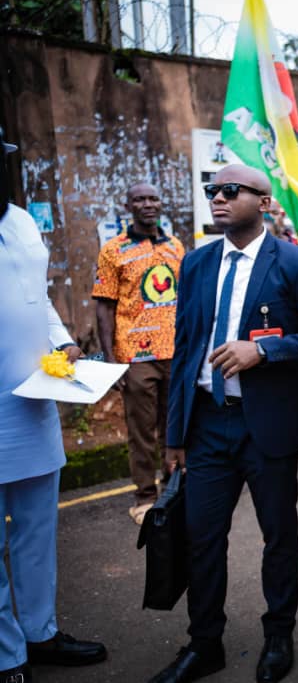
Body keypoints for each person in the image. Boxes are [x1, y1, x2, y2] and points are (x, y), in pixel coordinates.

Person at [150, 164, 298, 683]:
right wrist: (175, 435)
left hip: (264, 424)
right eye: (212, 191)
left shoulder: (297, 263)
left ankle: (278, 635)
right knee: (202, 537)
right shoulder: (197, 263)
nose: (217, 199)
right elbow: (185, 350)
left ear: (264, 202)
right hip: (206, 424)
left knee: (278, 535)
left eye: (230, 190)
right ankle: (205, 644)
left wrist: (263, 350)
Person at [0, 128, 107, 682]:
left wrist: (62, 339)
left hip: (32, 402)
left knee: (37, 530)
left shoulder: (19, 221)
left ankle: (39, 632)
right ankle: (5, 653)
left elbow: (35, 296)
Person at [93, 182, 185, 525]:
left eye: (153, 198)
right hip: (134, 356)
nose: (148, 204)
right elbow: (104, 306)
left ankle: (172, 488)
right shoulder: (113, 250)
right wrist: (110, 359)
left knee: (173, 426)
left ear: (160, 203)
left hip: (174, 352)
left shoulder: (175, 247)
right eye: (140, 199)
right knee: (142, 430)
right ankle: (145, 496)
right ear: (128, 205)